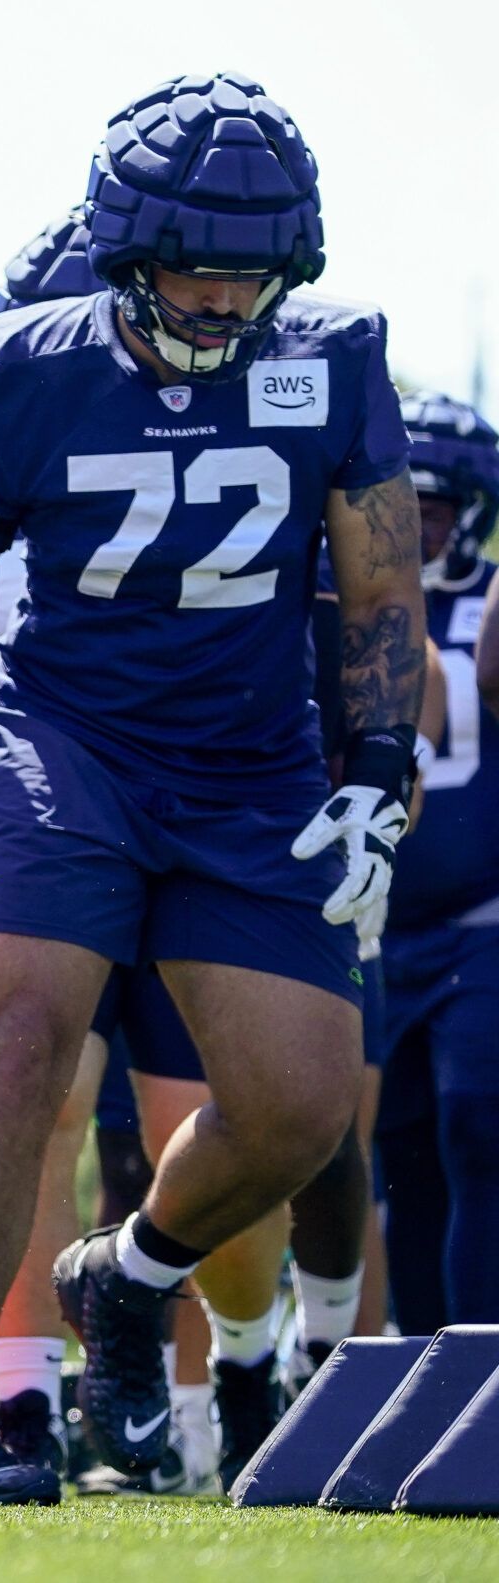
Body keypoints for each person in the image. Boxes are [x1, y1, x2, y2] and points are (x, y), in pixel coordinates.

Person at [0, 75, 423, 1504]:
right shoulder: (18, 367)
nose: (223, 300)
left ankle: (128, 1272)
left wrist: (381, 773)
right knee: (19, 1036)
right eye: (195, 268)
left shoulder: (334, 357)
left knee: (298, 1105)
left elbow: (379, 581)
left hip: (250, 761)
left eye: (251, 273)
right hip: (65, 747)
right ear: (122, 251)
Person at [386, 392, 499, 1325]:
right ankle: (412, 1376)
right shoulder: (342, 602)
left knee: (478, 1128)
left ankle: (476, 1370)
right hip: (373, 924)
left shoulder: (487, 607)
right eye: (405, 503)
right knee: (399, 1153)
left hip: (479, 924)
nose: (419, 525)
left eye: (438, 507)